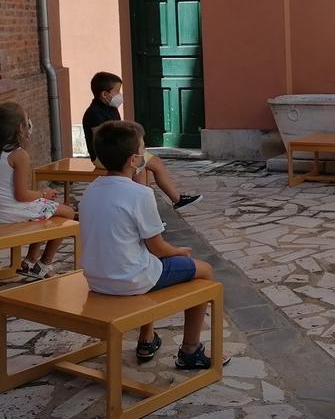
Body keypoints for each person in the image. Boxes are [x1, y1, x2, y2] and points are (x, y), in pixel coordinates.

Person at [79, 120, 230, 367]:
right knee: (204, 271)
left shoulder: (92, 189)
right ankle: (190, 350)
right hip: (130, 279)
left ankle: (147, 337)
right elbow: (158, 248)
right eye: (143, 149)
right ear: (133, 160)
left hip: (96, 278)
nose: (145, 154)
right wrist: (179, 252)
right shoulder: (140, 194)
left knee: (149, 263)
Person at [0, 102, 77, 280]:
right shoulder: (19, 155)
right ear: (20, 128)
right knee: (68, 212)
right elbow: (22, 195)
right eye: (27, 121)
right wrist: (43, 193)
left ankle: (30, 260)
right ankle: (44, 263)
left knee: (43, 209)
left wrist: (40, 198)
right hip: (10, 213)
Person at [82, 71, 202, 209]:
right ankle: (144, 209)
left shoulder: (111, 108)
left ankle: (175, 200)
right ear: (105, 94)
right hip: (105, 156)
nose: (120, 95)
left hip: (123, 150)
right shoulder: (94, 113)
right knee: (139, 167)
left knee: (155, 163)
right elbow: (104, 143)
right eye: (117, 91)